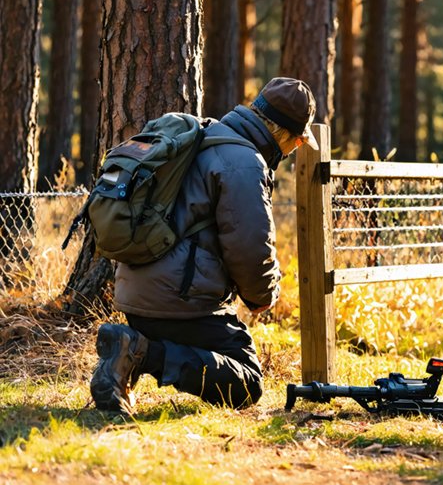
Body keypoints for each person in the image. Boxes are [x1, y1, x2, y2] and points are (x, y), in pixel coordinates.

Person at [90, 77, 319, 414]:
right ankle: (140, 352)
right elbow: (250, 247)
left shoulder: (206, 136)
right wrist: (261, 296)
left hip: (135, 294)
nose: (295, 149)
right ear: (286, 135)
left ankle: (127, 359)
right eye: (299, 142)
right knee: (247, 382)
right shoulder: (243, 161)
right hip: (181, 302)